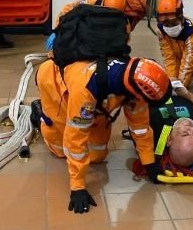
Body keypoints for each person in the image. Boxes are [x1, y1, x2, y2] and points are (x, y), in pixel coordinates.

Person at [33, 57, 170, 214]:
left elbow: (140, 127)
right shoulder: (87, 88)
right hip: (56, 83)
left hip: (96, 102)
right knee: (60, 149)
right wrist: (77, 186)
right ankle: (39, 115)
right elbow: (75, 137)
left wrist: (149, 162)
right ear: (138, 92)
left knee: (97, 155)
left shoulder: (135, 84)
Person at [147, 83, 193, 168]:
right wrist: (187, 94)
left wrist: (157, 88)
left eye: (185, 133)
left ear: (169, 139)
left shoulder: (154, 132)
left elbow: (136, 112)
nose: (192, 129)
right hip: (181, 92)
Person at [155, 0, 193, 89]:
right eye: (165, 23)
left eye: (173, 22)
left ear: (181, 17)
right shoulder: (161, 31)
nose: (169, 27)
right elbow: (169, 57)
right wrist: (172, 79)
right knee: (171, 80)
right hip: (181, 57)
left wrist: (178, 87)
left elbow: (188, 62)